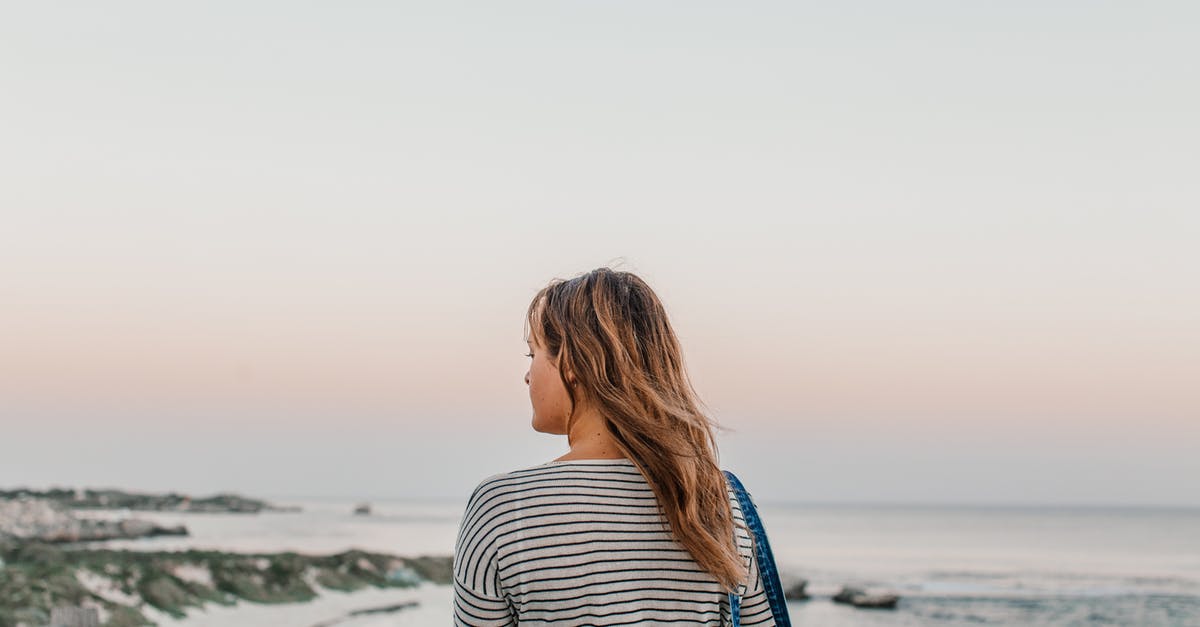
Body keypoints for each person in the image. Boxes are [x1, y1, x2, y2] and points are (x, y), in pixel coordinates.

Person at [453, 267, 778, 626]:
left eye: (533, 355)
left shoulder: (502, 508)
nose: (527, 375)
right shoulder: (717, 500)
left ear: (572, 363)